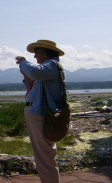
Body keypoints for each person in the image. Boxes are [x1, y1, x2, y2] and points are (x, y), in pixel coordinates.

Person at [15, 39, 65, 183]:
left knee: (44, 155)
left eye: (36, 53)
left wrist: (23, 62)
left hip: (40, 115)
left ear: (45, 52)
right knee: (43, 154)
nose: (35, 57)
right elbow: (36, 91)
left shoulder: (50, 66)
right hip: (38, 113)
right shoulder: (46, 69)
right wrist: (26, 78)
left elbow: (35, 73)